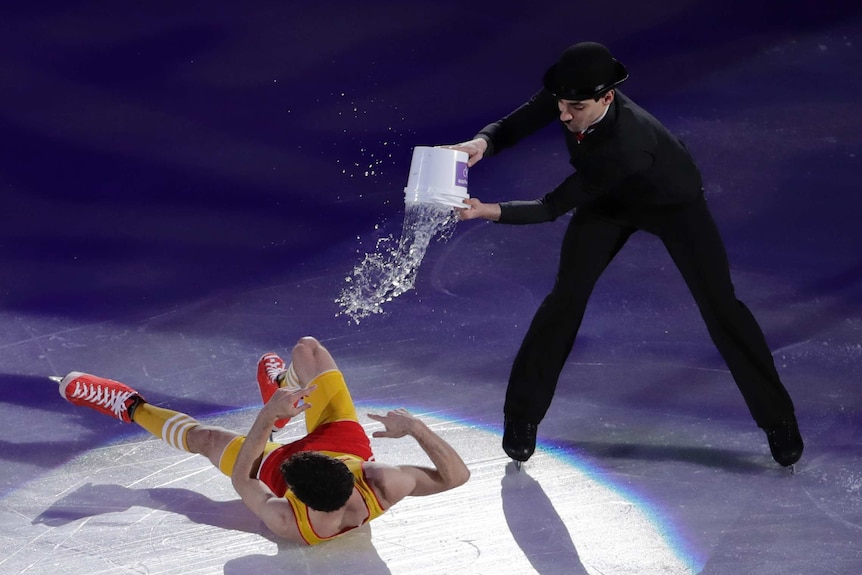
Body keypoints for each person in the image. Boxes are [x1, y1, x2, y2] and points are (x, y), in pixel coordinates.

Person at [448, 42, 803, 469]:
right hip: (607, 202)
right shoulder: (570, 96)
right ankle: (521, 416)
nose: (563, 114)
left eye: (574, 107)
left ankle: (778, 420)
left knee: (722, 308)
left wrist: (487, 211)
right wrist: (481, 143)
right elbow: (514, 125)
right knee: (565, 299)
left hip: (672, 206)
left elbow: (550, 207)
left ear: (606, 97)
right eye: (561, 103)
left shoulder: (629, 142)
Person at [54, 336, 470, 545]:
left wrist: (268, 418)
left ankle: (128, 405)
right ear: (348, 471)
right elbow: (457, 477)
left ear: (296, 497)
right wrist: (415, 428)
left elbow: (242, 479)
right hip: (341, 439)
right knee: (307, 350)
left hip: (272, 466)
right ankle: (281, 387)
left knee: (204, 438)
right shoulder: (382, 480)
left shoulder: (288, 522)